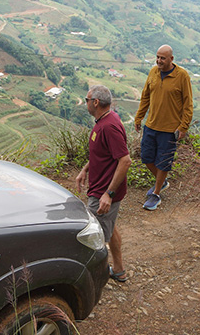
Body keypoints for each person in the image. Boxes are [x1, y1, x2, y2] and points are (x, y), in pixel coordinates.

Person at [76, 85, 132, 283]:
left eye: (87, 99)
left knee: (93, 238)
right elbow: (103, 154)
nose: (86, 103)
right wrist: (86, 169)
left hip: (103, 193)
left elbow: (125, 161)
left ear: (96, 102)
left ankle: (94, 279)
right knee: (110, 227)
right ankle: (118, 270)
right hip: (100, 188)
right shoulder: (104, 120)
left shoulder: (108, 126)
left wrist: (109, 194)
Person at [134, 44, 193, 211]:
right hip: (151, 125)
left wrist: (183, 126)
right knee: (146, 157)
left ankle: (156, 193)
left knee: (163, 162)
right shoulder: (153, 72)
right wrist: (139, 117)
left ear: (171, 59)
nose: (159, 60)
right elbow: (145, 96)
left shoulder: (182, 76)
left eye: (163, 58)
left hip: (170, 129)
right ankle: (162, 181)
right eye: (158, 57)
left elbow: (188, 104)